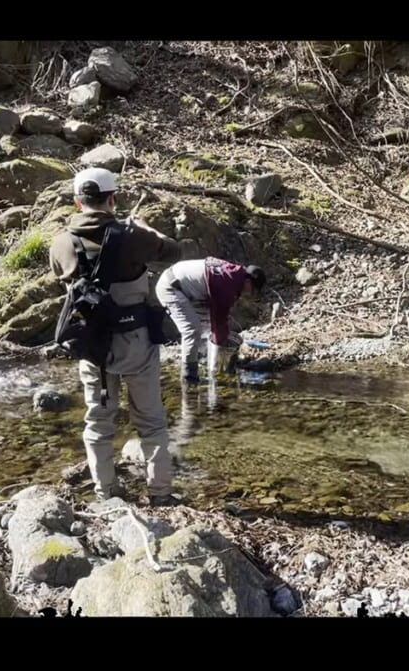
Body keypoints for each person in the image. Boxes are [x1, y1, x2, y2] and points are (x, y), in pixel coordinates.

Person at [49, 167, 182, 504]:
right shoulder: (133, 237)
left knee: (97, 421)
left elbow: (59, 276)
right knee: (151, 423)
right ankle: (161, 495)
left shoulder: (61, 241)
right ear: (112, 199)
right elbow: (174, 251)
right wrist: (146, 230)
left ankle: (107, 494)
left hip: (93, 346)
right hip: (136, 341)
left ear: (78, 202)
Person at [154, 257, 266, 385]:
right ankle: (189, 377)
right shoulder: (228, 285)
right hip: (171, 287)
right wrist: (223, 347)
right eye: (253, 289)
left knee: (206, 323)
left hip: (185, 287)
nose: (250, 293)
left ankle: (203, 357)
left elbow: (218, 316)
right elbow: (219, 321)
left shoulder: (233, 275)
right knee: (192, 330)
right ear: (248, 281)